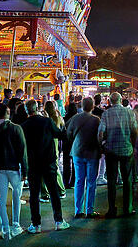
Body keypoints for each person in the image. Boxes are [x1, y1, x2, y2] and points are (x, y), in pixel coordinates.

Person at [20, 99, 70, 233]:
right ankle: (59, 221)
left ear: (26, 110)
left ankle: (36, 224)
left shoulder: (24, 126)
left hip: (33, 164)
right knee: (54, 192)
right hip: (48, 162)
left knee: (34, 195)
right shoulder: (47, 121)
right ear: (37, 108)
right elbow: (59, 134)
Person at [0, 103, 28, 240]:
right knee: (17, 196)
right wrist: (25, 171)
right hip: (14, 168)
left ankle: (5, 228)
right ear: (8, 112)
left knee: (1, 199)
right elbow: (22, 151)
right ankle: (16, 225)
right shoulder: (16, 128)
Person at [98, 92, 137, 218]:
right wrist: (133, 145)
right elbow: (134, 131)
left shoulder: (106, 114)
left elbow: (100, 133)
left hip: (111, 150)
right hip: (126, 149)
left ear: (110, 101)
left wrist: (102, 146)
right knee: (127, 180)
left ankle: (111, 209)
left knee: (111, 181)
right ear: (120, 100)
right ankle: (127, 208)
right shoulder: (129, 112)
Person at [66, 96, 101, 218]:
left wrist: (75, 141)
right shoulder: (96, 120)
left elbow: (68, 133)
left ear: (81, 105)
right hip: (92, 153)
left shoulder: (75, 118)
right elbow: (100, 136)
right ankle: (89, 210)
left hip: (78, 152)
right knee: (91, 182)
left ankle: (78, 210)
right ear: (92, 106)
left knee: (79, 181)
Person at [43, 100, 68, 199]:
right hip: (55, 144)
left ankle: (47, 193)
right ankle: (61, 190)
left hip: (47, 143)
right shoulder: (58, 117)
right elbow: (62, 130)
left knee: (46, 168)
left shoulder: (46, 118)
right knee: (55, 167)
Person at [63, 94, 79, 188]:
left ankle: (66, 182)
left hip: (66, 142)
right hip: (75, 142)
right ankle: (73, 181)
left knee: (66, 163)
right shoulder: (77, 119)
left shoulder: (65, 118)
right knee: (74, 163)